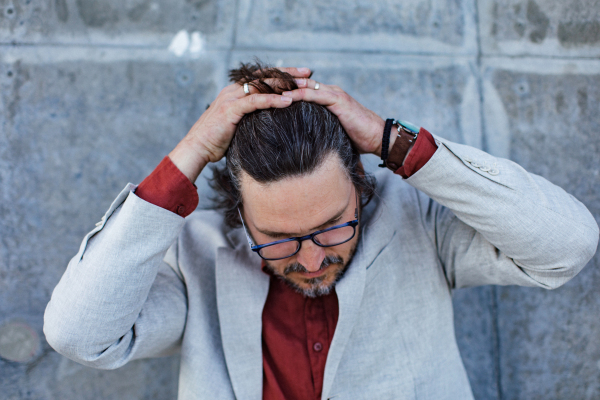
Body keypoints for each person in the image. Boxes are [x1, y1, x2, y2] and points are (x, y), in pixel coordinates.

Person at [44, 61, 599, 400]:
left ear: (359, 183)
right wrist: (188, 155)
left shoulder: (419, 227)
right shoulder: (196, 256)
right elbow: (79, 334)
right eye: (278, 238)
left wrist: (392, 141)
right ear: (240, 211)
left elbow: (566, 246)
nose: (310, 261)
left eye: (333, 227)